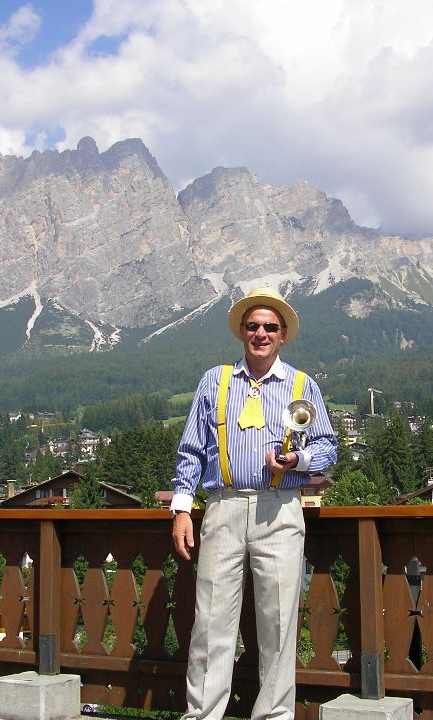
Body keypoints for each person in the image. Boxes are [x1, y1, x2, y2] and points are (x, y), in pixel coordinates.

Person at [171, 287, 337, 720]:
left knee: (279, 624)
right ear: (242, 332)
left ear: (283, 335)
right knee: (210, 621)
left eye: (269, 327)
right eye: (253, 326)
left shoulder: (302, 385)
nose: (260, 333)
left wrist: (296, 460)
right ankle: (202, 714)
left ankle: (275, 716)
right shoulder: (216, 380)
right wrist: (182, 509)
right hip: (223, 506)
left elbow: (328, 448)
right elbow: (191, 450)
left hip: (280, 508)